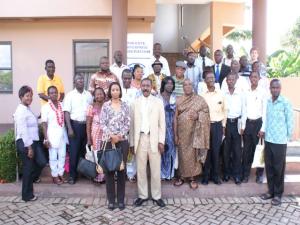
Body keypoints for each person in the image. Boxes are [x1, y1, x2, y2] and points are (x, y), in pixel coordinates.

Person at [130, 78, 166, 207]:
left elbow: (162, 124)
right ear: (140, 87)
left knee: (156, 169)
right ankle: (142, 195)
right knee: (141, 169)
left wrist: (161, 141)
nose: (145, 88)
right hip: (140, 139)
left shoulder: (158, 102)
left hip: (154, 139)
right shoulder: (134, 103)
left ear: (151, 87)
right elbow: (132, 125)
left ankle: (157, 196)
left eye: (147, 86)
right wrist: (132, 143)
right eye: (143, 85)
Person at [260, 79, 293, 206]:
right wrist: (263, 130)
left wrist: (287, 137)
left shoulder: (285, 102)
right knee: (269, 167)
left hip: (280, 141)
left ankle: (278, 194)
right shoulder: (268, 102)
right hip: (269, 139)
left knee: (279, 168)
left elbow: (290, 121)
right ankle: (271, 191)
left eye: (277, 88)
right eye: (273, 88)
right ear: (270, 88)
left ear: (280, 88)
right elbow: (266, 118)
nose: (275, 90)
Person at [174, 79, 210, 189]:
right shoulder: (178, 100)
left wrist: (198, 116)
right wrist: (175, 135)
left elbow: (206, 113)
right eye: (185, 85)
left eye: (190, 84)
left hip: (195, 133)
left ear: (193, 86)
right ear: (183, 87)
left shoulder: (199, 100)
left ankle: (192, 178)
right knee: (182, 155)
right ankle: (181, 177)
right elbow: (175, 118)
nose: (188, 86)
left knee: (194, 155)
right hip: (182, 134)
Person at [100, 82, 130, 210]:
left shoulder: (125, 105)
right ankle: (111, 200)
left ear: (120, 91)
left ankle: (121, 200)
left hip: (122, 141)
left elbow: (128, 123)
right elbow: (102, 123)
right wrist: (111, 135)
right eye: (113, 90)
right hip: (108, 141)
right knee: (109, 171)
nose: (115, 91)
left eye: (117, 89)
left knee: (121, 171)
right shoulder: (105, 106)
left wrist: (119, 135)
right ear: (110, 92)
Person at [63, 74, 93, 184]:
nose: (80, 80)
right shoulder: (70, 95)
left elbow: (91, 111)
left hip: (87, 126)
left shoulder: (89, 95)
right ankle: (72, 176)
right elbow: (66, 112)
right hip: (75, 126)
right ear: (74, 82)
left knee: (84, 151)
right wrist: (69, 128)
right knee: (74, 152)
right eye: (78, 79)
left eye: (82, 79)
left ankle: (84, 173)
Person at [14, 86, 41, 202]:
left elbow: (31, 121)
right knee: (28, 169)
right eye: (27, 96)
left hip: (32, 141)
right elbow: (23, 130)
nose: (30, 98)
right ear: (21, 97)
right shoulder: (20, 111)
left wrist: (38, 116)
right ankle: (27, 195)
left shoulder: (27, 109)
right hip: (25, 143)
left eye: (31, 96)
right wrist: (29, 148)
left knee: (40, 162)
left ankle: (31, 183)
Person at [201, 71, 227, 185]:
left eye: (212, 77)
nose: (211, 79)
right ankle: (206, 176)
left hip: (217, 125)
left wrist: (223, 126)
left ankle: (215, 176)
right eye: (208, 78)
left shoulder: (221, 94)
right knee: (207, 151)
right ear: (205, 81)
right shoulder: (202, 95)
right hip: (205, 126)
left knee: (216, 151)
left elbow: (225, 110)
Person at [241, 71, 267, 184]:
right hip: (248, 124)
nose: (253, 79)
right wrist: (242, 125)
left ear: (259, 78)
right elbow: (244, 109)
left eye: (256, 77)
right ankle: (245, 174)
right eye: (252, 77)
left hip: (258, 124)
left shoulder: (263, 92)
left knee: (260, 150)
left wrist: (263, 128)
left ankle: (259, 174)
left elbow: (265, 111)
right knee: (246, 151)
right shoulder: (245, 92)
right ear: (249, 79)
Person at [41, 86, 68, 185]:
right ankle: (54, 176)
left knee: (62, 155)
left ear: (58, 94)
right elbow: (44, 123)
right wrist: (46, 138)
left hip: (62, 134)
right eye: (51, 93)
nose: (54, 94)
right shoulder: (45, 107)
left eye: (55, 92)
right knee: (53, 156)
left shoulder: (62, 104)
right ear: (48, 95)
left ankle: (61, 173)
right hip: (51, 135)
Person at [223, 73, 246, 185]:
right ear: (226, 81)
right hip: (227, 124)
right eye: (229, 80)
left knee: (237, 151)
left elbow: (244, 111)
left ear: (236, 80)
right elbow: (222, 110)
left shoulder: (240, 94)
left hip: (237, 124)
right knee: (226, 151)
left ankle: (237, 175)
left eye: (232, 79)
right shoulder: (223, 94)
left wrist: (243, 126)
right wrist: (223, 125)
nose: (231, 81)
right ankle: (226, 173)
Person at [121, 69, 140, 182]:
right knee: (122, 151)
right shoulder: (118, 90)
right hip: (121, 128)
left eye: (129, 78)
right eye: (125, 78)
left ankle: (131, 173)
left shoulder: (136, 92)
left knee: (133, 150)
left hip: (133, 125)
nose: (127, 80)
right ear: (122, 78)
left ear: (132, 79)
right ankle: (121, 173)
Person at [158, 77, 177, 180]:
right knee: (162, 151)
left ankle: (170, 174)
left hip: (172, 128)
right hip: (161, 129)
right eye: (167, 83)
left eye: (171, 83)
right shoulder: (158, 98)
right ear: (163, 85)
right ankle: (162, 175)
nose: (169, 85)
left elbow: (176, 115)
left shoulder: (175, 98)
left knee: (171, 152)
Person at [86, 87, 106, 183]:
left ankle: (105, 174)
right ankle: (99, 174)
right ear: (94, 96)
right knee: (97, 154)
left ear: (104, 95)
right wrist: (89, 139)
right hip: (95, 133)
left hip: (106, 134)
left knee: (105, 153)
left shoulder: (107, 106)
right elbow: (88, 124)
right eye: (97, 94)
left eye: (101, 93)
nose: (99, 96)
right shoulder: (91, 107)